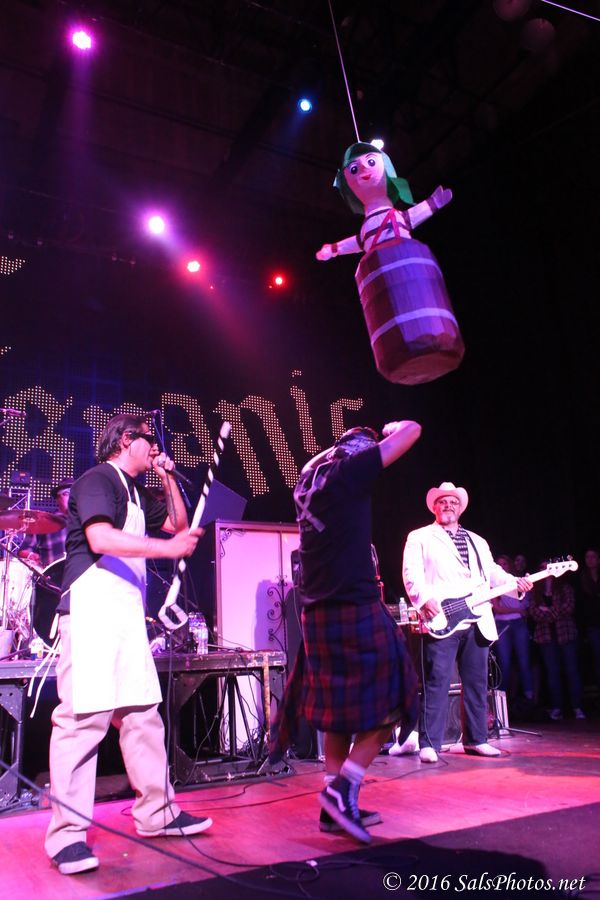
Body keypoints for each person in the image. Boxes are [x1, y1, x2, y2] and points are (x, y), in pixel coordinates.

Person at [45, 414, 212, 876]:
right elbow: (100, 538)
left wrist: (166, 475)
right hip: (92, 608)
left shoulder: (137, 492)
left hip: (125, 613)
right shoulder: (98, 479)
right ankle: (67, 836)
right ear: (125, 440)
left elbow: (177, 524)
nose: (155, 447)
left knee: (141, 716)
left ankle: (157, 813)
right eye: (149, 440)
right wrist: (168, 551)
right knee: (83, 720)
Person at [270, 421, 421, 843]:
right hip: (354, 604)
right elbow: (412, 432)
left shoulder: (307, 480)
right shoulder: (352, 470)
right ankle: (345, 786)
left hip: (317, 611)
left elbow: (322, 460)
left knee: (337, 713)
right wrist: (392, 429)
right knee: (398, 694)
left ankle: (333, 808)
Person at [402, 482, 533, 763]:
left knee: (476, 682)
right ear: (434, 507)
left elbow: (493, 573)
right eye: (443, 501)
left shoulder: (477, 541)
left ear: (460, 508)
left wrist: (516, 585)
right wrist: (423, 599)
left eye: (453, 502)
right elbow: (411, 574)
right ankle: (430, 743)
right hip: (443, 617)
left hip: (478, 617)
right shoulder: (420, 536)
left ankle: (476, 740)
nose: (448, 506)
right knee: (436, 681)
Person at [529, 561, 585, 720]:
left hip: (566, 634)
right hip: (546, 636)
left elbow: (569, 607)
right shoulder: (536, 590)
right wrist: (552, 612)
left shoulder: (564, 587)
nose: (545, 570)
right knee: (552, 673)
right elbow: (534, 612)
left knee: (571, 671)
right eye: (542, 567)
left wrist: (547, 610)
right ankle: (557, 708)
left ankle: (577, 707)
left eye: (547, 567)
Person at [492, 554, 534, 703]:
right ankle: (502, 702)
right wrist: (517, 610)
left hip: (518, 624)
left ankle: (529, 699)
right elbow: (497, 608)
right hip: (502, 625)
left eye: (505, 564)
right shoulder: (493, 586)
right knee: (504, 663)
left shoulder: (517, 583)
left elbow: (526, 604)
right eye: (499, 564)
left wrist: (519, 610)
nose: (502, 567)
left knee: (524, 661)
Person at [18, 478, 72, 568]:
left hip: (85, 575)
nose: (72, 497)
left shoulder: (86, 522)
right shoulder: (44, 522)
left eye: (75, 493)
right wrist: (31, 556)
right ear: (57, 499)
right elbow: (23, 551)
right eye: (66, 493)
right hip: (53, 575)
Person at [579, 548, 600, 691]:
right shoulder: (582, 578)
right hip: (593, 624)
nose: (590, 559)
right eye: (587, 557)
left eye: (593, 556)